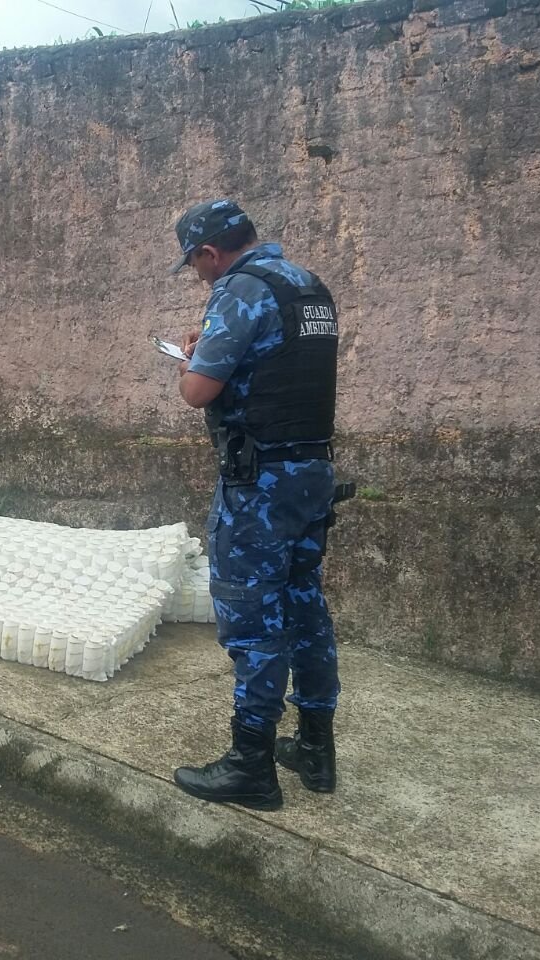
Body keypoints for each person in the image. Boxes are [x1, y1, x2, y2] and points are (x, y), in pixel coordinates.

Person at [167, 199, 342, 811]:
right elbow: (276, 366)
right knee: (304, 607)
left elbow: (198, 392)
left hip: (259, 482)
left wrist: (192, 359)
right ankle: (316, 749)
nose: (197, 274)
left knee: (252, 619)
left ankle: (251, 765)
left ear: (209, 252)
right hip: (312, 471)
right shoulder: (308, 286)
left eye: (194, 263)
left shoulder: (239, 290)